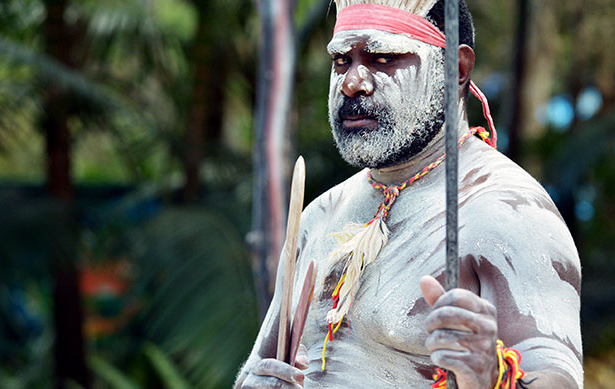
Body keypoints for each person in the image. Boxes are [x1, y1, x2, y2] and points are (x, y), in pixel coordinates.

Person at [235, 0, 583, 387]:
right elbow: (257, 370)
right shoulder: (319, 215)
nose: (352, 82)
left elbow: (560, 379)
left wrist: (491, 375)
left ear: (457, 69)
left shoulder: (509, 212)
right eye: (341, 61)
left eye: (383, 58)